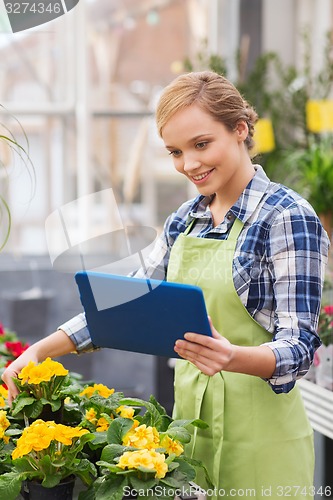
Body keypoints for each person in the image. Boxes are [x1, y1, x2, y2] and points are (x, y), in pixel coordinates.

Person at [2, 71, 330, 499]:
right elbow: (129, 303)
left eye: (201, 144)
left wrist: (232, 356)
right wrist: (40, 350)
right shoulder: (185, 219)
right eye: (175, 151)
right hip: (191, 437)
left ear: (240, 130)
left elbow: (300, 346)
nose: (189, 164)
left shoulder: (287, 217)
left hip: (262, 443)